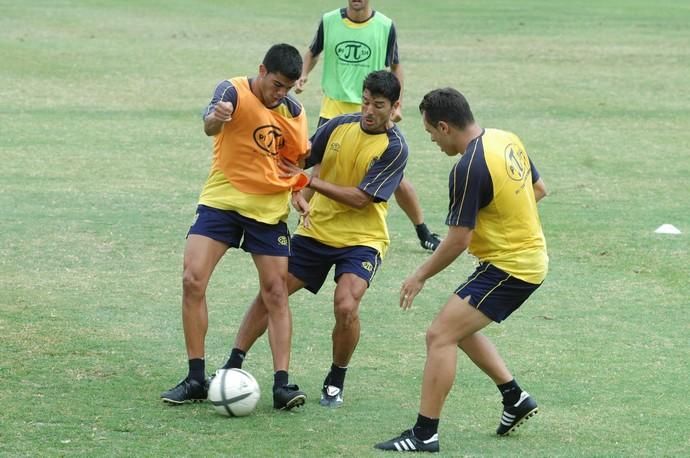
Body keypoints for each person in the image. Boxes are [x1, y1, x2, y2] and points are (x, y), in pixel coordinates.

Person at [375, 88, 549, 452]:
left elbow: (457, 240)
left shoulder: (468, 167)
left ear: (445, 125)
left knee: (439, 335)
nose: (434, 141)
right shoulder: (505, 138)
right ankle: (514, 398)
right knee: (460, 326)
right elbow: (538, 189)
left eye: (432, 134)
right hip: (522, 258)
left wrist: (419, 275)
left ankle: (425, 434)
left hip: (511, 266)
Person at [226, 70, 408, 409]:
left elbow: (359, 198)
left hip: (362, 238)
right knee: (272, 293)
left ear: (395, 106)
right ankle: (231, 365)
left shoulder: (396, 148)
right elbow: (302, 157)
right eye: (366, 102)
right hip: (316, 229)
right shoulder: (340, 125)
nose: (369, 111)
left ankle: (336, 378)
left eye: (378, 105)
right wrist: (300, 188)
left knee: (346, 305)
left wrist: (307, 183)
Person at [160, 43, 311, 411]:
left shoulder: (294, 112)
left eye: (287, 88)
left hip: (267, 209)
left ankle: (281, 386)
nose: (280, 94)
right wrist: (219, 116)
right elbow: (210, 125)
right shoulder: (232, 91)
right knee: (192, 279)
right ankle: (196, 378)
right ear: (261, 70)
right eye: (275, 84)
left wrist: (298, 193)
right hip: (222, 200)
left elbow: (296, 160)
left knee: (276, 291)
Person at [295, 0, 441, 251]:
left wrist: (398, 105)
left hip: (374, 109)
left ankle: (422, 230)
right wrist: (303, 73)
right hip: (334, 110)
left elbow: (396, 66)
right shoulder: (329, 20)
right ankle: (300, 228)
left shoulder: (385, 26)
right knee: (318, 171)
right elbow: (312, 51)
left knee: (396, 178)